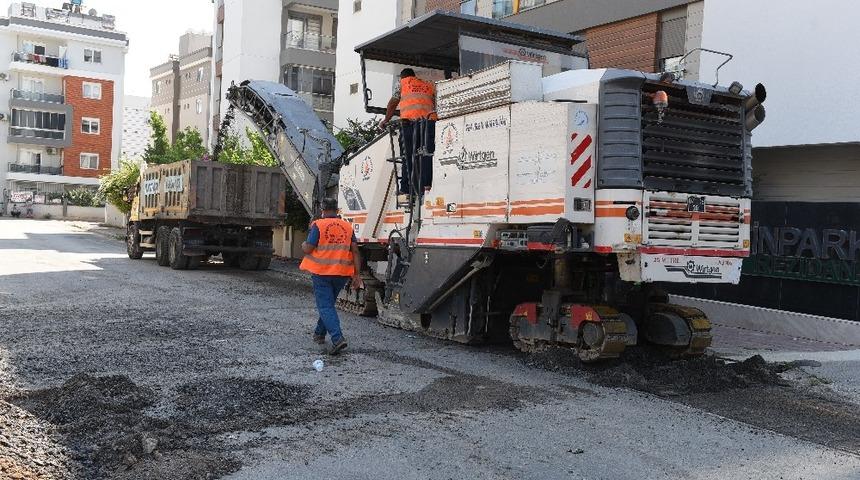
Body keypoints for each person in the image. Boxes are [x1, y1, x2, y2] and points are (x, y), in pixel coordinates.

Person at [300, 197, 363, 354]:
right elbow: (355, 251)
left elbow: (308, 249)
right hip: (341, 274)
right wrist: (357, 275)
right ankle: (319, 333)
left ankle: (337, 339)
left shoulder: (318, 225)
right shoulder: (347, 227)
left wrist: (303, 244)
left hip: (322, 273)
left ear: (322, 209)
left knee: (325, 306)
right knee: (328, 305)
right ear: (337, 210)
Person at [380, 68, 436, 196]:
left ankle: (406, 187)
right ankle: (426, 185)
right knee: (426, 154)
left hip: (409, 124)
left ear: (402, 77)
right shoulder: (427, 84)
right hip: (428, 123)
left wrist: (386, 120)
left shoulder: (402, 84)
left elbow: (392, 103)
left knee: (407, 156)